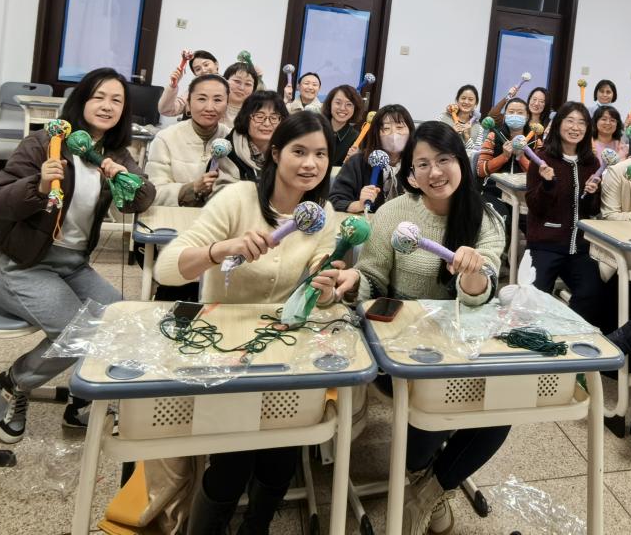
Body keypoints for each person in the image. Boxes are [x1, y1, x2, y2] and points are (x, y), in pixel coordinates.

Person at [155, 111, 345, 535]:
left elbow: (322, 284)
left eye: (320, 154)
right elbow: (166, 268)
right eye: (299, 151)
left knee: (283, 453)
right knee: (233, 460)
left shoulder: (322, 213)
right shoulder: (237, 199)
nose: (310, 164)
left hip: (285, 345)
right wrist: (222, 249)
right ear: (275, 153)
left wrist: (328, 285)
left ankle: (255, 526)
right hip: (224, 344)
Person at [333, 121, 508, 535]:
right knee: (434, 401)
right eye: (423, 164)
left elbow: (481, 296)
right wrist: (354, 281)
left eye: (444, 160)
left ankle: (428, 489)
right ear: (411, 173)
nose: (435, 172)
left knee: (501, 409)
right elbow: (372, 279)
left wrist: (472, 275)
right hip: (399, 347)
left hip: (462, 342)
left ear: (460, 161)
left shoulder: (486, 219)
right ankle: (421, 469)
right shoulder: (395, 213)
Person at [0, 67, 156, 443]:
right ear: (81, 101)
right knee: (76, 335)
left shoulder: (114, 153)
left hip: (72, 265)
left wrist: (124, 178)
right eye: (99, 97)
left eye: (116, 100)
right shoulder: (45, 142)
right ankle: (14, 383)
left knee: (122, 320)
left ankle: (81, 399)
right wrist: (39, 185)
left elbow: (144, 198)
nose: (107, 106)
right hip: (22, 265)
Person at [524, 102, 612, 332]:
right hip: (545, 244)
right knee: (532, 297)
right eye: (570, 121)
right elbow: (535, 208)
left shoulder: (591, 162)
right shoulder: (542, 159)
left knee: (593, 293)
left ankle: (570, 335)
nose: (576, 127)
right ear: (558, 124)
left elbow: (592, 210)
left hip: (580, 248)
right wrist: (547, 184)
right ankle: (538, 339)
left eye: (582, 123)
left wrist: (592, 193)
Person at [146, 74, 230, 207]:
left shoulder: (232, 139)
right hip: (175, 217)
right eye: (201, 99)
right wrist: (191, 189)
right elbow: (152, 193)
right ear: (188, 104)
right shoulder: (166, 138)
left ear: (227, 105)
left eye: (218, 100)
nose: (209, 107)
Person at [329, 103, 414, 215]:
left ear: (410, 130)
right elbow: (335, 201)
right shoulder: (357, 162)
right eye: (386, 128)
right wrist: (359, 204)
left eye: (400, 127)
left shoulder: (417, 164)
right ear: (376, 133)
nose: (394, 134)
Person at [215, 91, 287, 191]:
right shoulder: (227, 150)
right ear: (246, 118)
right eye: (259, 116)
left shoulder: (287, 149)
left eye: (274, 117)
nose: (267, 123)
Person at [158, 49, 218, 119]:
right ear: (195, 74)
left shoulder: (227, 87)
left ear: (216, 64)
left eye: (206, 65)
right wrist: (173, 85)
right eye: (198, 69)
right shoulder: (192, 91)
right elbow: (165, 110)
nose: (203, 70)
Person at [322, 84, 365, 167]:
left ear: (355, 108)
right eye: (338, 103)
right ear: (330, 104)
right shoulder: (316, 129)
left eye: (349, 104)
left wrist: (355, 160)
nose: (342, 108)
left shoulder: (356, 139)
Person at [440, 84, 482, 152]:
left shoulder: (478, 127)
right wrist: (451, 133)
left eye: (470, 99)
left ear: (476, 104)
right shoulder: (444, 118)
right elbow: (435, 143)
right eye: (463, 98)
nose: (466, 102)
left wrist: (467, 137)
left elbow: (476, 154)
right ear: (457, 100)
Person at [221, 60, 259, 127]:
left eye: (248, 84)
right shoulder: (213, 108)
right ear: (225, 81)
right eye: (237, 81)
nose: (241, 88)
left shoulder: (256, 115)